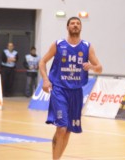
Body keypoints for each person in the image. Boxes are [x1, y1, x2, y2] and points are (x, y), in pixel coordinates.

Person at [38, 17, 103, 160]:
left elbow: (99, 68)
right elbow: (42, 62)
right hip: (59, 90)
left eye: (78, 23)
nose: (75, 25)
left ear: (81, 28)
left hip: (76, 92)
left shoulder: (87, 46)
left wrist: (91, 66)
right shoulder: (58, 44)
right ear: (67, 27)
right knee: (61, 127)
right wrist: (45, 79)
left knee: (67, 130)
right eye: (72, 23)